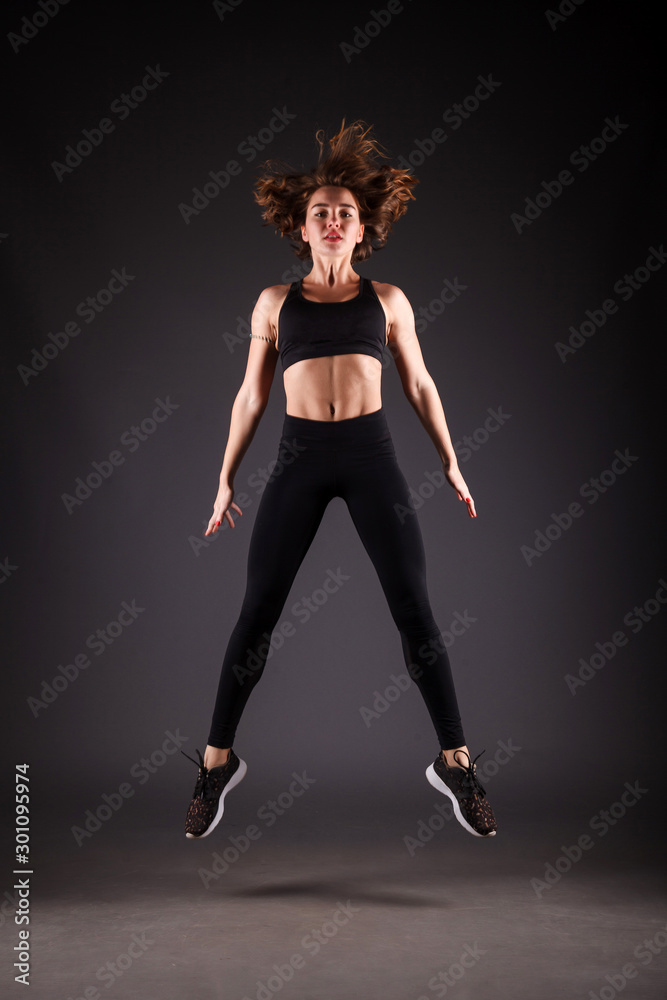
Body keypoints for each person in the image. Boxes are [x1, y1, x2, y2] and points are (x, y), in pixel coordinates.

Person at [181, 120, 497, 842]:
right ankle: (214, 763)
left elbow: (418, 382)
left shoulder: (387, 300)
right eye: (319, 212)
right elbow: (250, 398)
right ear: (301, 227)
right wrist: (224, 480)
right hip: (298, 459)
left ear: (362, 230)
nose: (331, 220)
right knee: (256, 610)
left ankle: (455, 761)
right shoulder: (272, 302)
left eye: (344, 213)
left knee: (414, 607)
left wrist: (450, 459)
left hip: (369, 456)